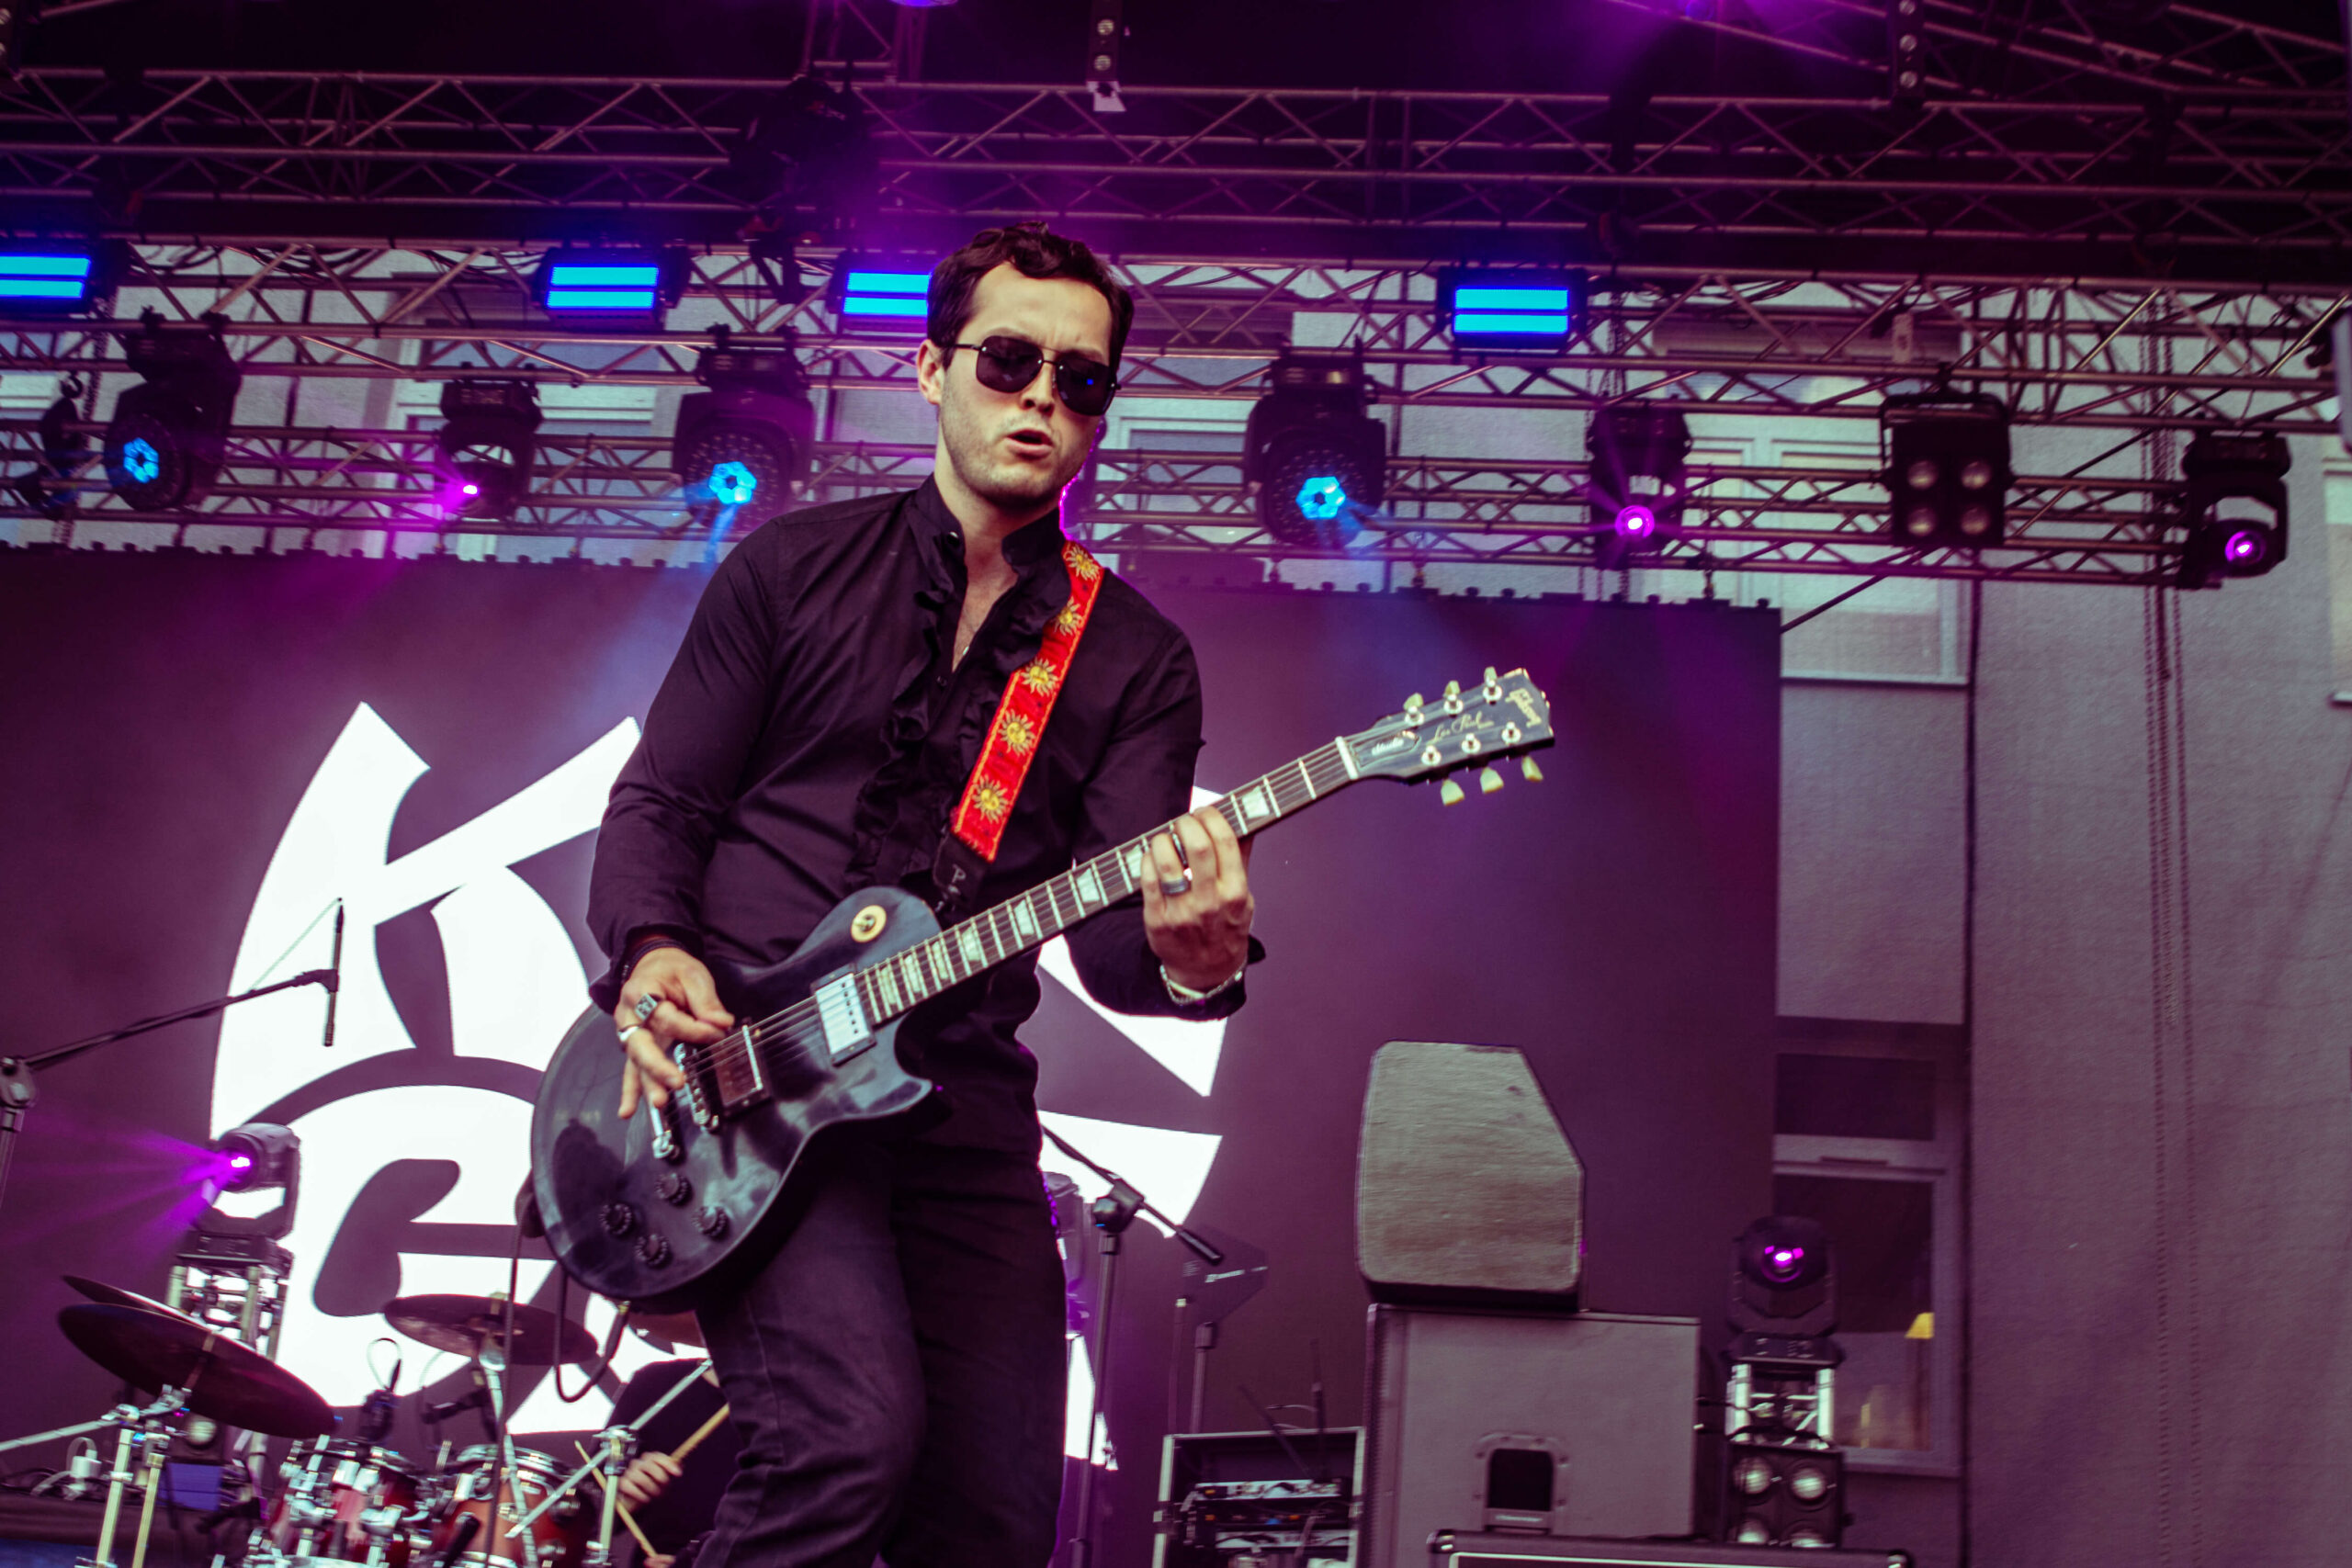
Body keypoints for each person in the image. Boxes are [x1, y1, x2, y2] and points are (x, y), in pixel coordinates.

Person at [584, 220, 1261, 1568]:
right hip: (748, 1091)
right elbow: (662, 804)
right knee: (843, 1443)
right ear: (934, 368)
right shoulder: (791, 568)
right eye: (1010, 361)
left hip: (954, 1111)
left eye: (1080, 380)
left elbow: (1115, 953)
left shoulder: (1135, 657)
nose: (1042, 400)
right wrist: (656, 953)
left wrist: (1198, 959)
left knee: (997, 1522)